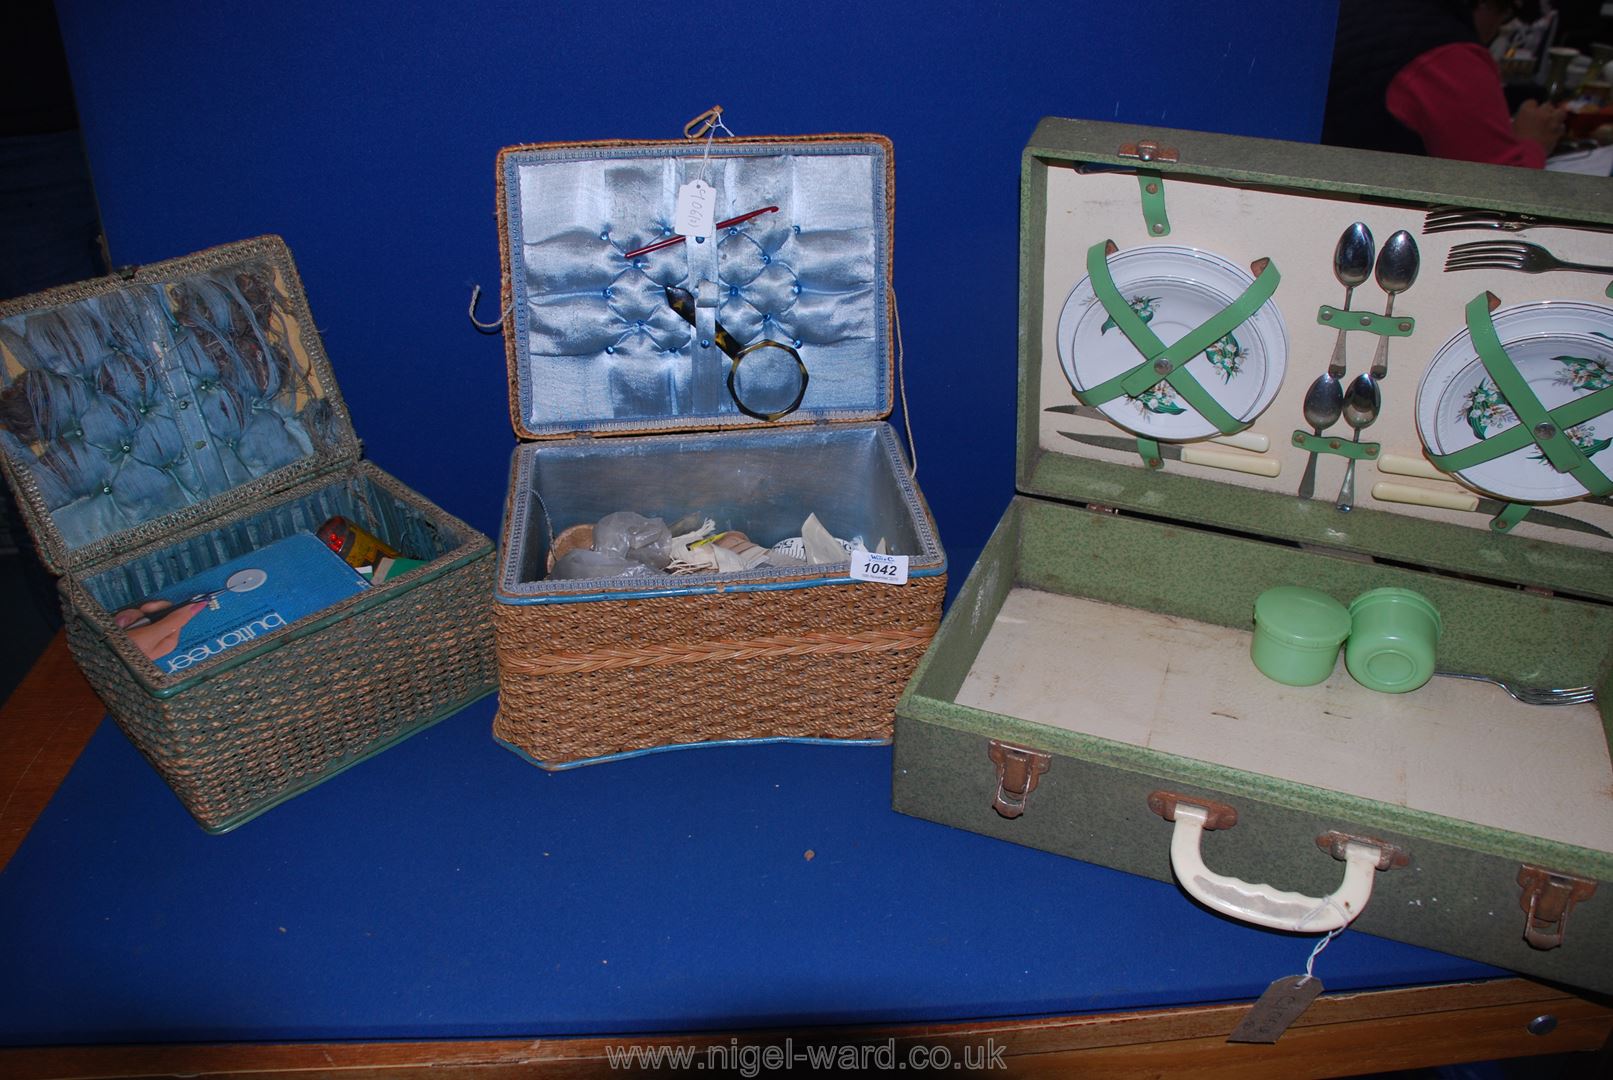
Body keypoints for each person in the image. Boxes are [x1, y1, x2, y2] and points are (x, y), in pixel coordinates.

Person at [1322, 0, 1569, 168]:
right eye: (1505, 15)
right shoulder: (1447, 54)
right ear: (1486, 5)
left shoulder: (1367, 13)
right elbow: (1498, 192)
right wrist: (1534, 142)